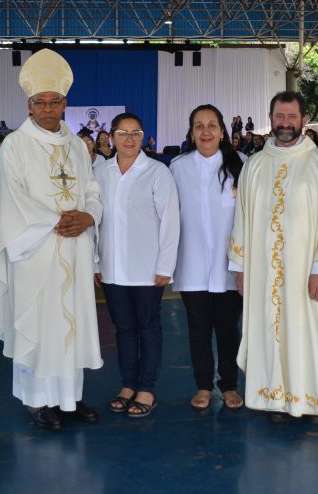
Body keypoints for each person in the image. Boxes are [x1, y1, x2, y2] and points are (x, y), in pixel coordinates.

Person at [0, 49, 103, 431]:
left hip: (75, 246)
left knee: (72, 324)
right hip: (34, 251)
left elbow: (92, 189)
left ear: (65, 104)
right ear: (29, 105)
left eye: (55, 102)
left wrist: (89, 216)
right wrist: (58, 220)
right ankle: (38, 401)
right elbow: (9, 199)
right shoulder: (15, 145)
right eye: (40, 102)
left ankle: (70, 399)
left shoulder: (77, 146)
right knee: (40, 322)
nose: (48, 108)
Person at [229, 91, 318, 422]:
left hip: (307, 271)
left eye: (291, 117)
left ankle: (311, 398)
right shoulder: (255, 164)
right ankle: (275, 400)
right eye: (279, 117)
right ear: (271, 119)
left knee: (305, 330)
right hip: (263, 272)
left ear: (303, 120)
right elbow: (242, 217)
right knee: (270, 331)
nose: (285, 123)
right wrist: (240, 267)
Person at [96, 112, 179, 418]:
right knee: (123, 328)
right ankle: (128, 384)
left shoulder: (157, 172)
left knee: (147, 327)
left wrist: (165, 266)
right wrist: (95, 261)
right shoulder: (101, 172)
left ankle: (147, 387)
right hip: (113, 267)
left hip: (147, 268)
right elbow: (96, 220)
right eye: (122, 133)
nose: (129, 139)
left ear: (143, 137)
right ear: (111, 137)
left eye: (135, 133)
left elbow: (171, 221)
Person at [170, 105, 246, 411]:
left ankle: (228, 386)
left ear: (223, 131)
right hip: (192, 265)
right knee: (198, 330)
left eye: (212, 125)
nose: (205, 132)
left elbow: (251, 218)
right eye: (199, 126)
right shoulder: (177, 167)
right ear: (190, 132)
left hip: (231, 267)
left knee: (229, 329)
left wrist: (245, 264)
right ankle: (203, 385)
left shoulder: (242, 164)